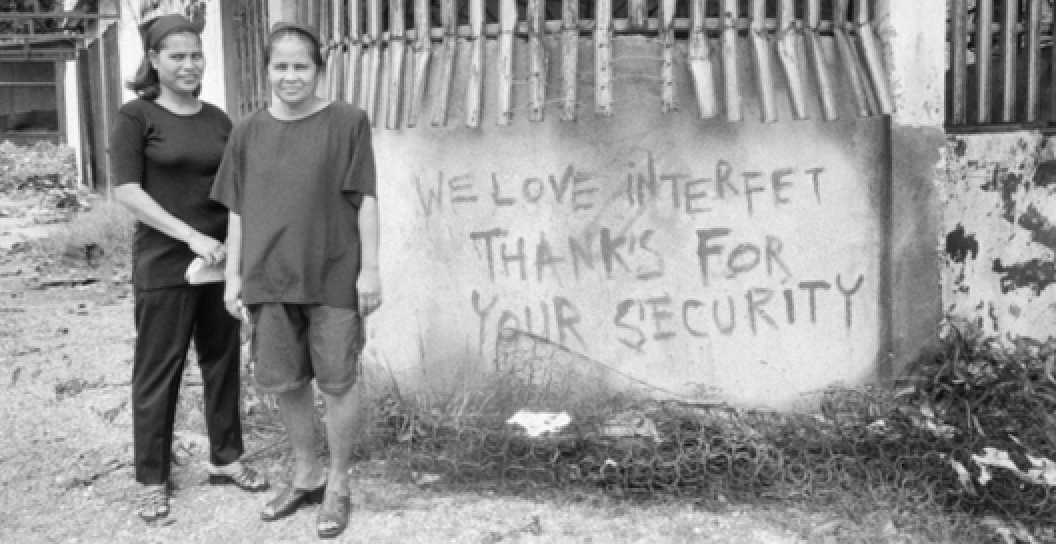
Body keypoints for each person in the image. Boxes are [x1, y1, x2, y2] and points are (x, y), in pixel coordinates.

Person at [211, 22, 381, 540]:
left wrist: (370, 268)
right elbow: (237, 212)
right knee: (286, 383)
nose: (290, 76)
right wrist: (232, 278)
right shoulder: (246, 131)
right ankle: (305, 474)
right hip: (269, 277)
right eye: (280, 67)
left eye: (300, 66)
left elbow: (366, 198)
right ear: (267, 71)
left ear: (318, 70)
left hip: (333, 274)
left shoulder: (348, 121)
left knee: (337, 381)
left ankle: (337, 482)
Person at [109, 13, 268, 523]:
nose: (188, 64)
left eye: (195, 54)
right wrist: (191, 236)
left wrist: (235, 249)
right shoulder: (136, 117)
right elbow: (127, 191)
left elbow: (236, 191)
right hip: (166, 262)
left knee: (222, 362)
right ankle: (152, 477)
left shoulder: (218, 119)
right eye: (176, 56)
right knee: (160, 369)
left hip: (220, 262)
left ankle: (226, 457)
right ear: (154, 60)